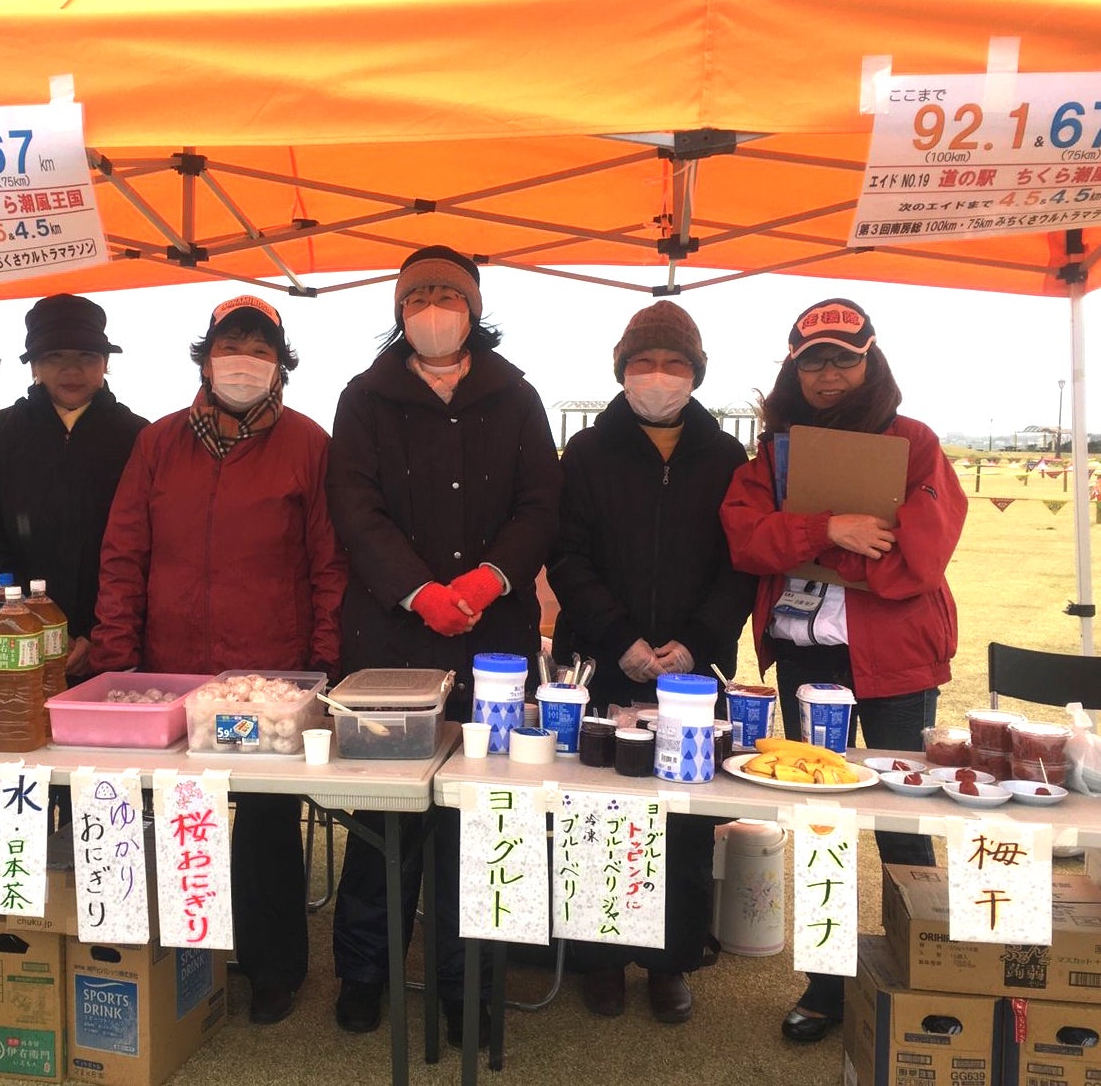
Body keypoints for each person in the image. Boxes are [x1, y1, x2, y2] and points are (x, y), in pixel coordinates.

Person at [90, 294, 346, 1027]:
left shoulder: (308, 443)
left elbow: (329, 561)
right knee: (183, 817)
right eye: (231, 347)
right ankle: (190, 962)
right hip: (170, 670)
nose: (243, 362)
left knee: (266, 822)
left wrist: (324, 661)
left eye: (260, 351)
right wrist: (118, 657)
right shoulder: (159, 441)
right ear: (205, 359)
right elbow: (124, 551)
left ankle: (274, 968)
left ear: (280, 366)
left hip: (268, 680)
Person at [327, 245, 560, 1046]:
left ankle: (469, 983)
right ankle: (364, 973)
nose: (432, 308)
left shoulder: (514, 394)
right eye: (417, 294)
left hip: (491, 636)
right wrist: (417, 590)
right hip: (391, 635)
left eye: (448, 294)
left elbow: (540, 502)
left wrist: (490, 579)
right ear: (399, 310)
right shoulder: (364, 397)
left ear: (473, 309)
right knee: (385, 817)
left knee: (483, 816)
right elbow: (353, 506)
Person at [720, 297, 966, 1043]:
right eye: (813, 361)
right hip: (806, 655)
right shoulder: (771, 454)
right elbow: (745, 539)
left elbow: (917, 558)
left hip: (896, 660)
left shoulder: (914, 443)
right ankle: (825, 985)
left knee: (904, 823)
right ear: (793, 368)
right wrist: (832, 529)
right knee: (820, 816)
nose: (828, 374)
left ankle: (928, 977)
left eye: (844, 358)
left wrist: (808, 547)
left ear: (869, 360)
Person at [547, 300, 754, 1024]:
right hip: (602, 663)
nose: (658, 376)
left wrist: (696, 641)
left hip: (693, 673)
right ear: (621, 371)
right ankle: (599, 957)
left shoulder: (726, 459)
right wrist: (620, 640)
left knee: (686, 816)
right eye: (643, 363)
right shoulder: (586, 452)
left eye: (673, 364)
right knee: (598, 807)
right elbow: (565, 555)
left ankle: (672, 960)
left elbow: (740, 565)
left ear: (695, 374)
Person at [0, 294, 148, 682]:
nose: (71, 369)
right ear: (34, 365)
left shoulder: (139, 437)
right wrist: (33, 624)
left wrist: (102, 634)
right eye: (56, 356)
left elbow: (154, 549)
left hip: (115, 645)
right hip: (20, 646)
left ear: (105, 363)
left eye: (86, 356)